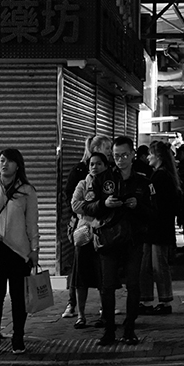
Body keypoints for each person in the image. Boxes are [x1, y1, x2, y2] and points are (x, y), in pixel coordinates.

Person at [79, 135, 152, 345]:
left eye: (125, 155)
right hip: (109, 241)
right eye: (116, 156)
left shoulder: (143, 181)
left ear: (132, 155)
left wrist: (137, 205)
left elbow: (154, 213)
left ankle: (129, 329)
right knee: (108, 286)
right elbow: (87, 208)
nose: (120, 160)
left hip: (133, 240)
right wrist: (105, 204)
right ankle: (109, 330)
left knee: (133, 285)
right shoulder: (102, 179)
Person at [0, 148, 40, 356]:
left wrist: (34, 249)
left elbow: (32, 223)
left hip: (19, 252)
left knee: (19, 298)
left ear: (18, 165)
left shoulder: (27, 191)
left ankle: (18, 338)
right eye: (2, 160)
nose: (5, 164)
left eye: (10, 161)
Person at [60, 134, 110, 318]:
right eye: (107, 148)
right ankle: (73, 305)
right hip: (82, 228)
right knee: (79, 268)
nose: (110, 152)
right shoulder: (80, 172)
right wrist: (89, 212)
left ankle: (105, 307)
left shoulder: (109, 176)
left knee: (102, 269)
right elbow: (72, 201)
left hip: (103, 229)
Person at [139, 140, 180, 315]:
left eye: (150, 154)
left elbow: (159, 204)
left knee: (157, 266)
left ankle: (164, 301)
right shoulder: (163, 175)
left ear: (159, 157)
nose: (148, 157)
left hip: (158, 229)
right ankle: (147, 299)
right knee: (147, 265)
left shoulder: (161, 177)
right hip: (156, 229)